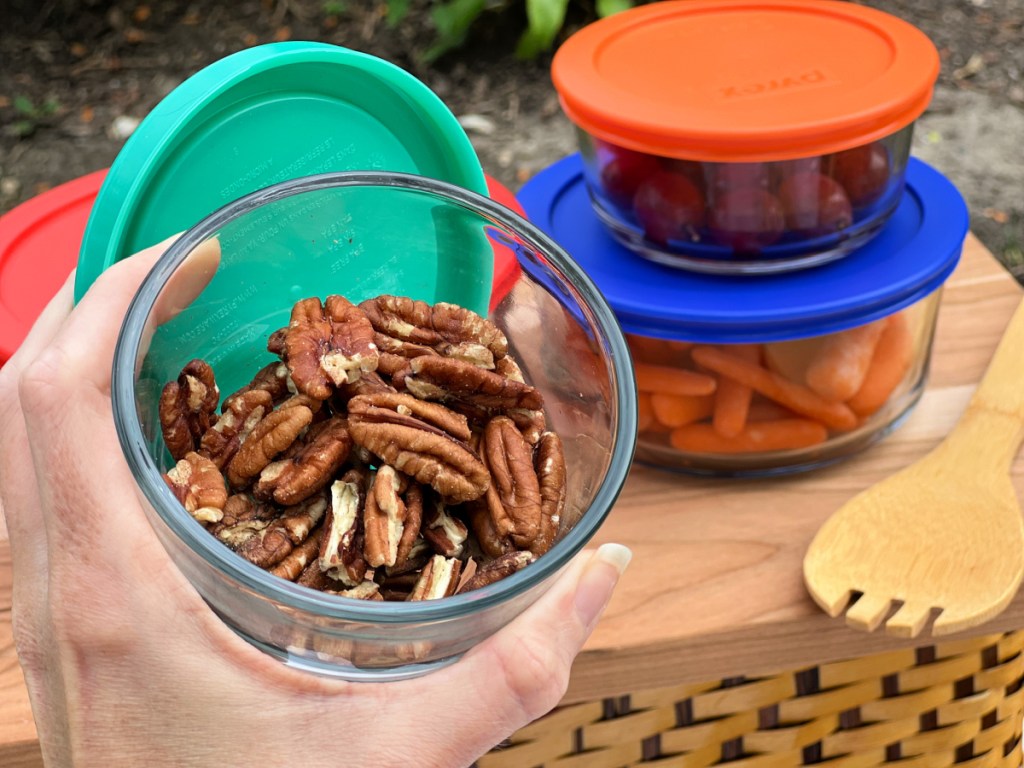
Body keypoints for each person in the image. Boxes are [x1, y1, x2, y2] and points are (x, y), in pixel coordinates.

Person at [0, 238, 631, 767]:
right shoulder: (307, 438)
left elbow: (483, 484)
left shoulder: (455, 445)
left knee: (474, 504)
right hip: (280, 601)